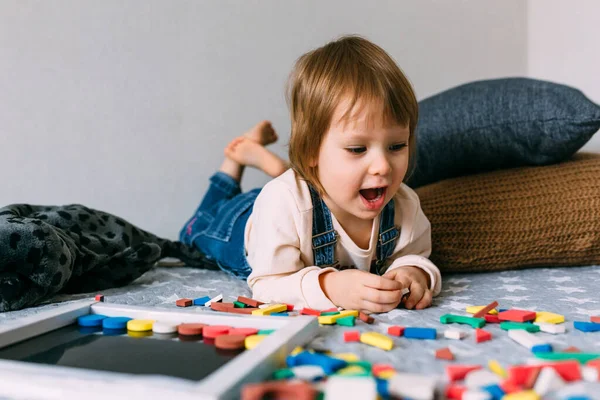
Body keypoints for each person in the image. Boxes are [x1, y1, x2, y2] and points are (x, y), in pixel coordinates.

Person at [180, 35, 442, 313]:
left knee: (300, 189)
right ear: (310, 153)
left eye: (397, 146)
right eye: (357, 149)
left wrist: (413, 272)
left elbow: (414, 255)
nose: (383, 166)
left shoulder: (405, 206)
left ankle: (264, 158)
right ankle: (233, 164)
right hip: (243, 225)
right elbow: (268, 283)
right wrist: (331, 287)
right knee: (197, 228)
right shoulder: (281, 202)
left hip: (302, 195)